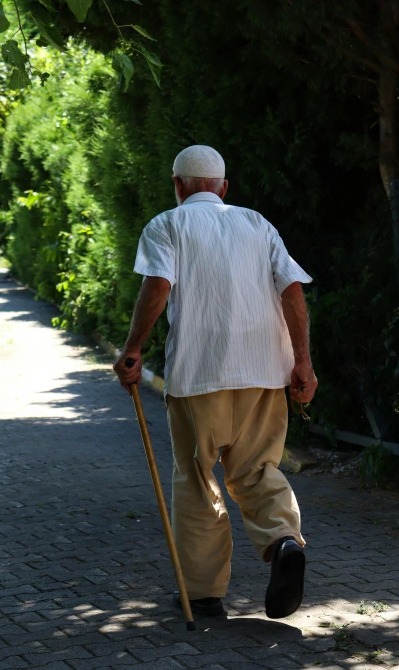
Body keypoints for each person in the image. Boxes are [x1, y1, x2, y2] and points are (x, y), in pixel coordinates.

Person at [114, 145, 317, 619]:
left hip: (199, 375)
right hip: (265, 373)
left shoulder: (168, 224)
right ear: (224, 188)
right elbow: (292, 290)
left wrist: (133, 349)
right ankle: (284, 541)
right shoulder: (258, 224)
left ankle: (203, 595)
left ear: (178, 185)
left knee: (197, 477)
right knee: (258, 471)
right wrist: (302, 362)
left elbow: (158, 286)